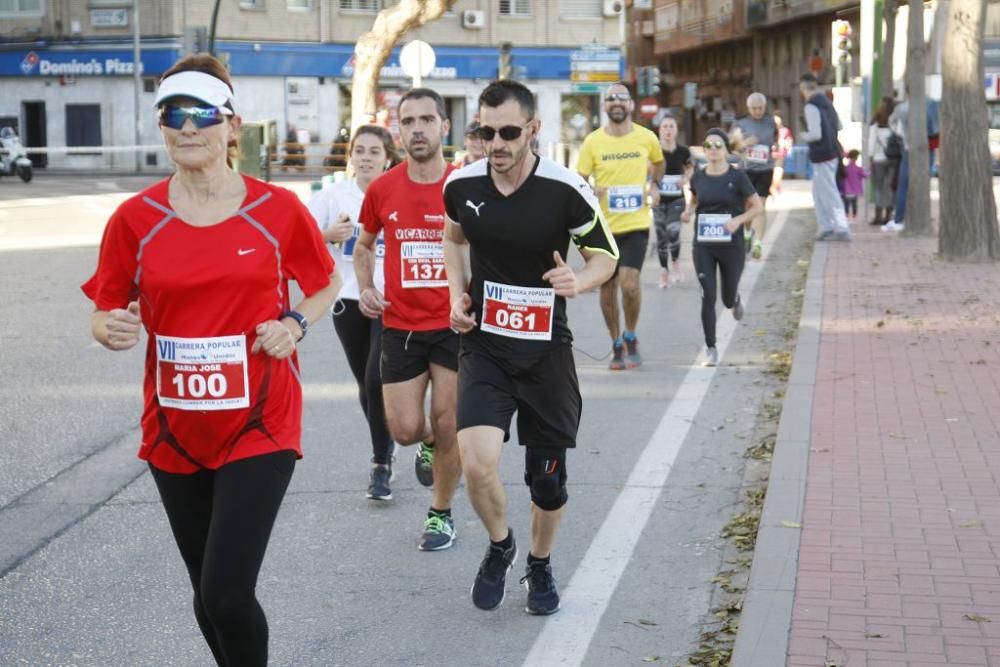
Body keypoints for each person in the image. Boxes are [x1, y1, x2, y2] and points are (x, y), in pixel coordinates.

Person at [81, 54, 339, 666]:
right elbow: (105, 307)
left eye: (202, 114)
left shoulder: (276, 210)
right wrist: (107, 328)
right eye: (174, 114)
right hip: (174, 427)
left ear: (232, 127)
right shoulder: (134, 220)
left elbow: (324, 283)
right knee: (206, 597)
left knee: (226, 593)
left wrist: (293, 322)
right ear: (161, 126)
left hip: (260, 423)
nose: (187, 127)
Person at [442, 79, 618, 615]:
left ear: (533, 130)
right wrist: (456, 295)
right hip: (486, 347)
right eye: (484, 132)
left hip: (545, 353)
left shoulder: (565, 189)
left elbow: (605, 256)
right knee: (476, 462)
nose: (495, 143)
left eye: (508, 132)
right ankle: (500, 546)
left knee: (548, 482)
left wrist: (579, 283)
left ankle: (539, 564)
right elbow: (453, 238)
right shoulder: (461, 184)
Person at [354, 88, 463, 551]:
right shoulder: (383, 188)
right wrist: (366, 288)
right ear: (399, 130)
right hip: (400, 325)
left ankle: (440, 513)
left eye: (426, 119)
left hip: (455, 326)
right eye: (408, 121)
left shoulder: (464, 185)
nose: (417, 129)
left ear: (444, 126)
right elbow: (363, 246)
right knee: (403, 428)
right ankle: (426, 443)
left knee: (449, 421)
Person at [307, 125, 401, 500]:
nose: (365, 158)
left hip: (386, 299)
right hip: (347, 300)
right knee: (366, 384)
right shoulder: (334, 196)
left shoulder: (397, 193)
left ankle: (381, 462)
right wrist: (329, 234)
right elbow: (298, 236)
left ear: (388, 158)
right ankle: (387, 446)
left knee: (377, 378)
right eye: (359, 151)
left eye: (374, 151)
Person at [576, 82, 665, 370]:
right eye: (611, 98)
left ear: (631, 105)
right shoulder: (593, 142)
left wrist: (654, 185)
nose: (616, 103)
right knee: (607, 288)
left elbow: (659, 162)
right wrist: (591, 192)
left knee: (629, 283)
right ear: (604, 106)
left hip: (635, 224)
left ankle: (631, 334)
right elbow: (579, 180)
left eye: (622, 98)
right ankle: (615, 342)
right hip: (602, 228)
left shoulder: (646, 137)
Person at [681, 129, 763, 367]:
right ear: (704, 149)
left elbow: (756, 206)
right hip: (704, 244)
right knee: (708, 294)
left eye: (719, 144)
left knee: (726, 299)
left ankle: (734, 300)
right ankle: (711, 347)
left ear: (726, 149)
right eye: (709, 144)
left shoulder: (737, 177)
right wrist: (688, 212)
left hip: (732, 244)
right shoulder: (698, 177)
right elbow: (695, 200)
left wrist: (738, 221)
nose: (714, 149)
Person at [798, 74, 851, 242]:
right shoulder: (827, 102)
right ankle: (825, 226)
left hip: (821, 154)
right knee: (820, 192)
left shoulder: (811, 106)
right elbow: (840, 126)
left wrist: (803, 136)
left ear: (803, 88)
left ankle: (840, 228)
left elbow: (815, 134)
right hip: (832, 151)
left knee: (828, 192)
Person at [729, 92, 776, 260]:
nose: (758, 111)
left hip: (765, 169)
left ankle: (758, 243)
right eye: (754, 108)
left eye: (761, 108)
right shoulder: (740, 123)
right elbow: (731, 147)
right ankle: (747, 232)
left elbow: (776, 143)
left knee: (761, 205)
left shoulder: (771, 121)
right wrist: (745, 143)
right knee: (749, 207)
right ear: (748, 108)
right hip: (746, 170)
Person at [652, 114, 692, 288]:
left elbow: (690, 167)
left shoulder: (683, 151)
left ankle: (675, 261)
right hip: (659, 200)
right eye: (665, 127)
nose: (668, 130)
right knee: (661, 236)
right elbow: (648, 173)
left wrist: (685, 179)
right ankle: (663, 271)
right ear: (659, 130)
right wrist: (652, 188)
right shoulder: (654, 151)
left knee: (673, 232)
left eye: (671, 127)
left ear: (676, 131)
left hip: (677, 199)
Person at [867, 97, 897, 226]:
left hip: (879, 159)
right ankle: (888, 215)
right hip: (893, 158)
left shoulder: (875, 125)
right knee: (890, 187)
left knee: (879, 188)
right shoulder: (894, 124)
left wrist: (870, 157)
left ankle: (878, 215)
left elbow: (871, 144)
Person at [770, 110, 793, 196]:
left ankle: (773, 189)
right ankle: (775, 188)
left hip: (780, 156)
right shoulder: (769, 130)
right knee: (772, 177)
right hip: (771, 156)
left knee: (777, 174)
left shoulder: (785, 131)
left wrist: (784, 143)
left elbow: (789, 142)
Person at [840, 149, 868, 219]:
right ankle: (854, 215)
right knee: (854, 204)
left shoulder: (845, 168)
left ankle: (846, 215)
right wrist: (870, 170)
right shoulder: (858, 168)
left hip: (846, 190)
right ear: (856, 158)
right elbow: (865, 175)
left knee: (846, 204)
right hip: (855, 191)